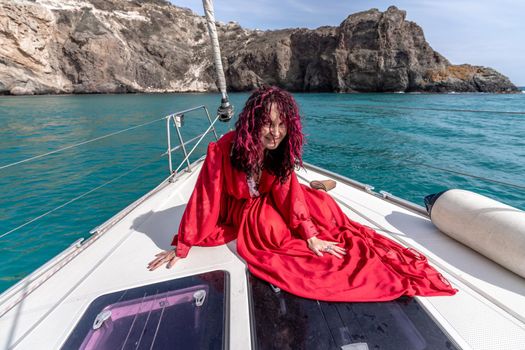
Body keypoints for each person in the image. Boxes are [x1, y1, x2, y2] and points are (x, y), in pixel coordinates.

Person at [148, 86, 456, 301]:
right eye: (267, 124)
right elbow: (206, 199)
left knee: (321, 211)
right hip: (242, 206)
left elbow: (286, 191)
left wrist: (308, 234)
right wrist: (184, 244)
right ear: (253, 122)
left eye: (281, 124)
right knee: (268, 232)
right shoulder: (223, 151)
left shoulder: (279, 153)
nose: (275, 132)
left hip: (271, 200)